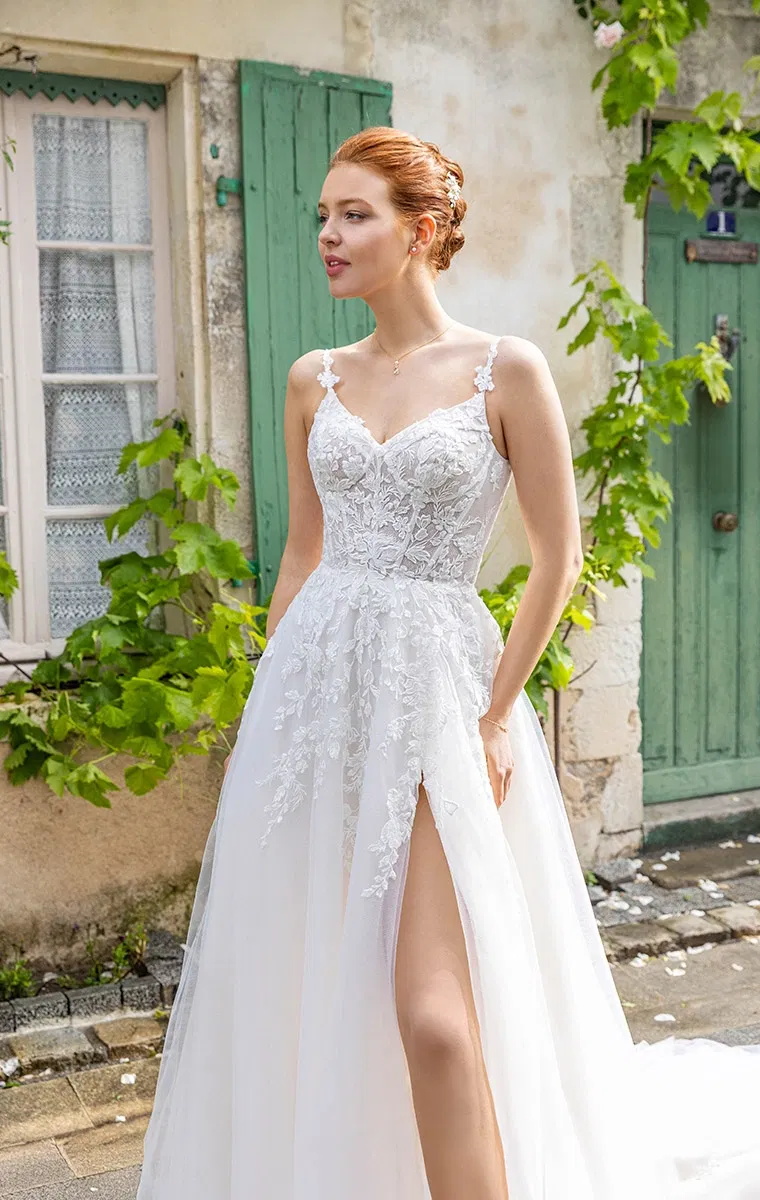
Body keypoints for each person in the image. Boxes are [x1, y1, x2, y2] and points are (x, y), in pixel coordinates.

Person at [136, 127, 760, 1200]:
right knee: (307, 981)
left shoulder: (503, 369)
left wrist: (495, 714)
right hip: (316, 695)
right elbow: (302, 554)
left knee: (432, 1018)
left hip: (438, 697)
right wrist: (267, 705)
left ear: (422, 230)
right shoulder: (311, 380)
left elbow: (558, 558)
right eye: (323, 216)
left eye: (354, 215)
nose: (328, 235)